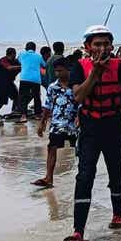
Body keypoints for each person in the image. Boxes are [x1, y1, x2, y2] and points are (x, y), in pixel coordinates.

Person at [62, 25, 121, 241]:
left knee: (115, 168)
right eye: (97, 44)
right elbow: (78, 97)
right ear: (87, 47)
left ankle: (118, 214)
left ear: (112, 46)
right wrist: (95, 72)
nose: (102, 48)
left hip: (113, 125)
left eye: (105, 44)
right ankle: (78, 231)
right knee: (85, 175)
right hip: (89, 127)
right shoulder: (79, 68)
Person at [32, 57, 78, 188]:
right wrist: (42, 123)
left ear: (68, 69)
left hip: (74, 123)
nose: (58, 74)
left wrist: (80, 116)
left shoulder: (76, 85)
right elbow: (47, 106)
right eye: (56, 71)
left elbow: (83, 102)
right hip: (57, 123)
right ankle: (48, 178)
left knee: (80, 150)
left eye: (60, 71)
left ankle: (82, 176)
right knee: (51, 148)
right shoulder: (52, 87)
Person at [17, 41, 47, 123]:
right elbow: (44, 65)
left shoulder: (21, 54)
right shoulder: (39, 56)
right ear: (34, 49)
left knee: (23, 97)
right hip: (36, 79)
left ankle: (23, 115)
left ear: (26, 48)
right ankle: (37, 115)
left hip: (24, 78)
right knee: (37, 97)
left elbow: (19, 61)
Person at [0, 48, 21, 119]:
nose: (14, 56)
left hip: (9, 82)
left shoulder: (15, 61)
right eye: (13, 55)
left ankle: (14, 111)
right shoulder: (3, 60)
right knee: (3, 99)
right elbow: (9, 68)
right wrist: (21, 67)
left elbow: (21, 66)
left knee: (16, 95)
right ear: (11, 54)